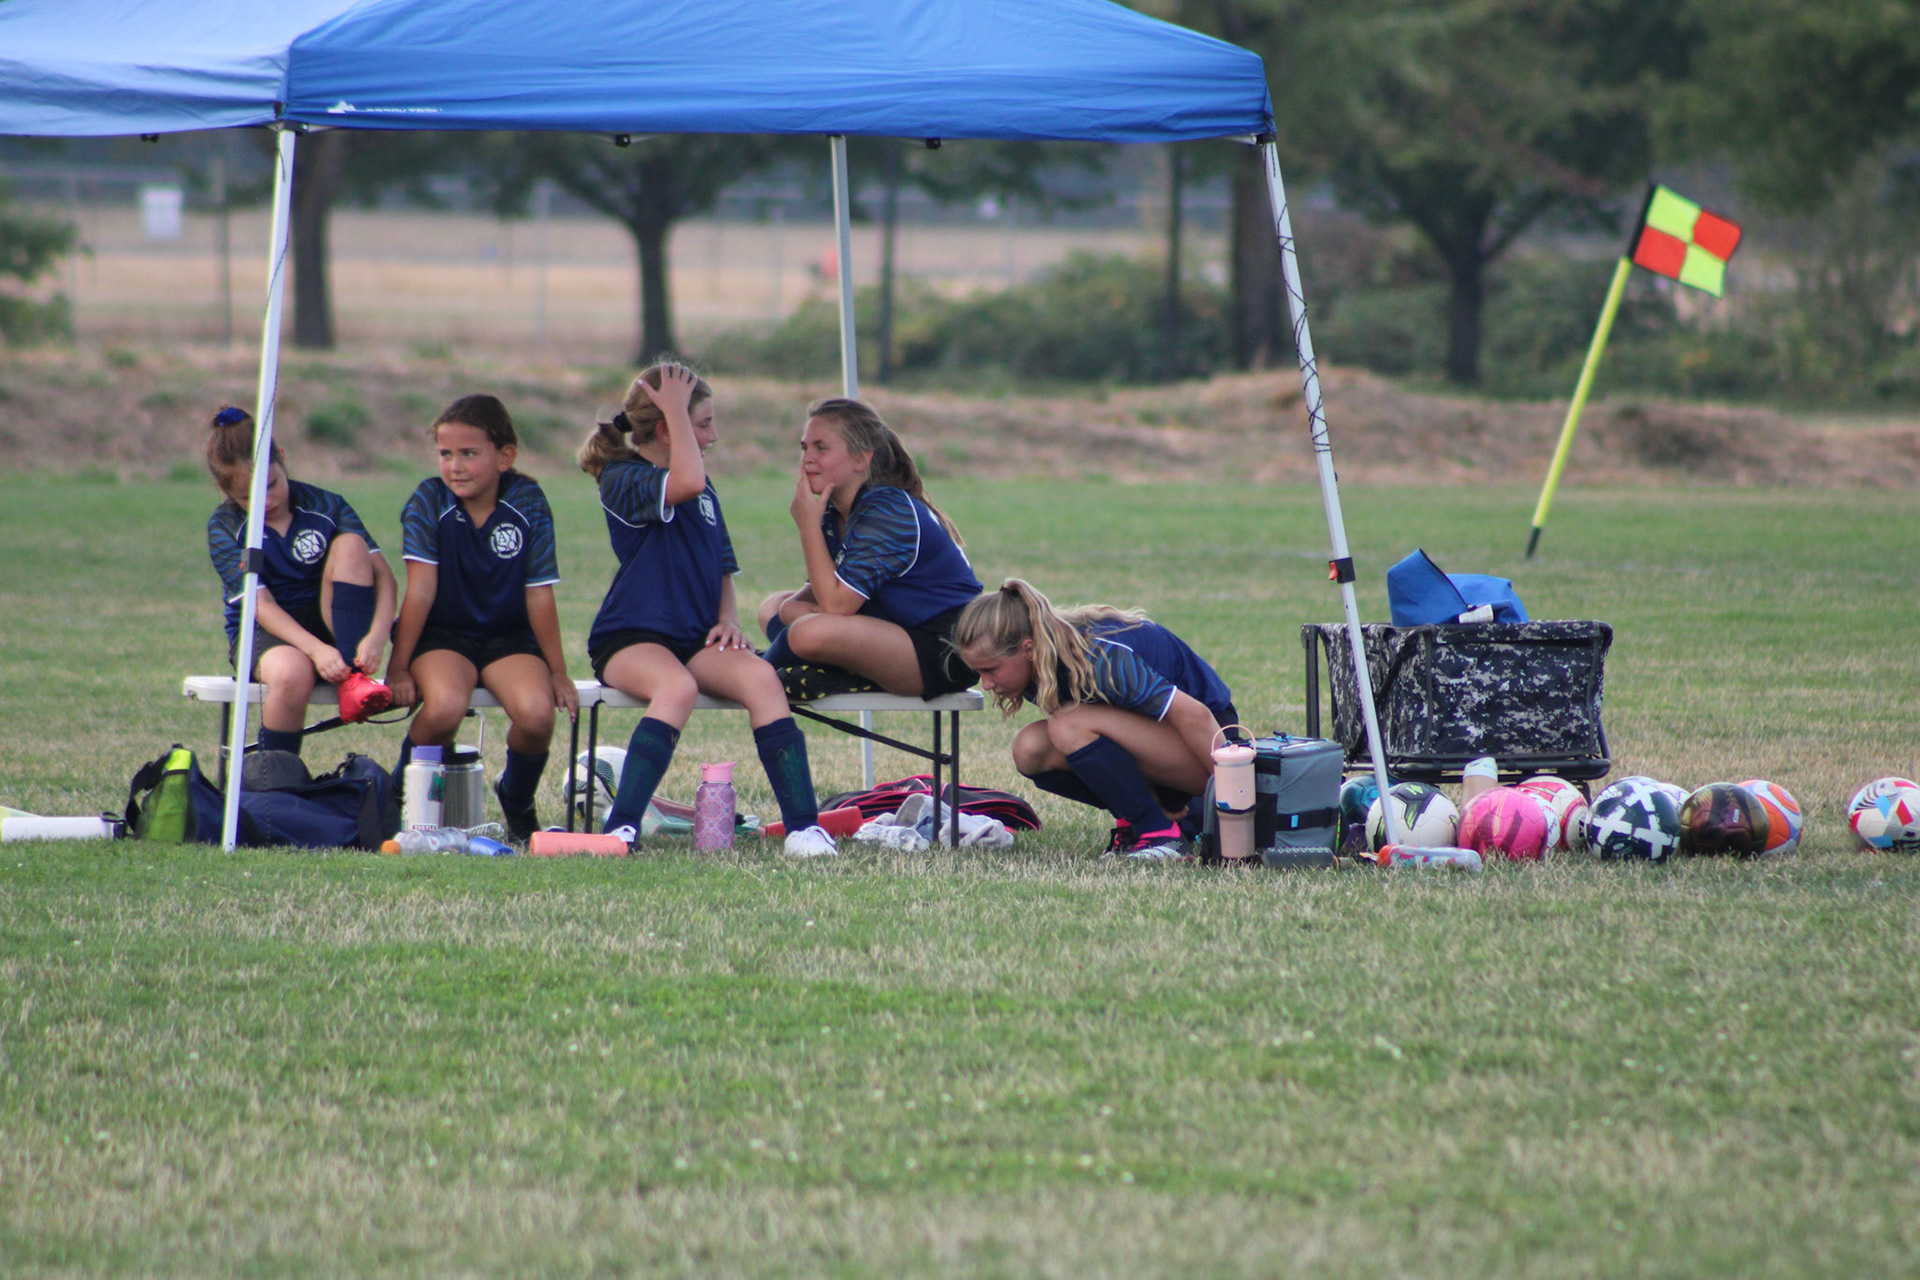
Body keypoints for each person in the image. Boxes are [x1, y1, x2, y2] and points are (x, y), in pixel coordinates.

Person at [577, 363, 837, 857]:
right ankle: (621, 828)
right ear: (666, 429)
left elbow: (722, 567)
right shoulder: (622, 477)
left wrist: (728, 619)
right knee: (677, 687)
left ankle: (804, 830)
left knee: (762, 679)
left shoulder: (704, 486)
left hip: (697, 636)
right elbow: (688, 483)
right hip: (632, 636)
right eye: (703, 424)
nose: (713, 436)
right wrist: (676, 408)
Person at [386, 394, 577, 843]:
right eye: (445, 453)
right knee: (445, 707)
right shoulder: (428, 500)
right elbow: (420, 590)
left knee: (536, 716)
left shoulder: (527, 500)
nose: (454, 466)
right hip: (442, 637)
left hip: (508, 638)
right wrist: (398, 668)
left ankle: (517, 798)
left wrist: (558, 672)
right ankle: (397, 795)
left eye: (469, 453)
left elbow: (539, 593)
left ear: (504, 456)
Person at [952, 578, 1239, 860]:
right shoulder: (1038, 661)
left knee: (1068, 725)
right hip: (1162, 747)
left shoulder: (1097, 655)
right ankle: (1141, 822)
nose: (986, 684)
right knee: (1030, 748)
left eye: (991, 669)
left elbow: (1196, 716)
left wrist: (1239, 797)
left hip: (1213, 746)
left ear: (1027, 648)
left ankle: (1160, 835)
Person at [755, 398, 982, 701]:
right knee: (771, 607)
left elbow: (835, 607)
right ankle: (834, 671)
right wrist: (791, 609)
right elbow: (817, 595)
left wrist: (807, 527)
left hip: (944, 649)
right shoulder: (834, 509)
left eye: (821, 448)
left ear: (861, 459)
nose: (807, 458)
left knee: (808, 632)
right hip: (891, 627)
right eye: (804, 447)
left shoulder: (886, 510)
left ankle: (761, 671)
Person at [204, 406, 395, 758]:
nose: (267, 501)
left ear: (282, 457)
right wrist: (316, 650)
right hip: (267, 633)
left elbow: (384, 576)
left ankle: (354, 678)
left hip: (333, 627)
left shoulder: (326, 505)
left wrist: (376, 637)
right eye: (248, 497)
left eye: (272, 485)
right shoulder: (225, 528)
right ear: (224, 489)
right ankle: (278, 777)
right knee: (292, 675)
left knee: (352, 545)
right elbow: (261, 606)